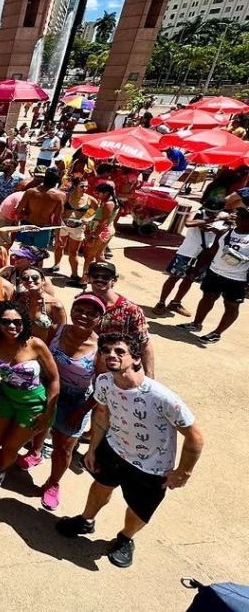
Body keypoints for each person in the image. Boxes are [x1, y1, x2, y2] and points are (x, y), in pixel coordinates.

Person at [56, 334, 204, 569]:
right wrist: (93, 448)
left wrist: (183, 472)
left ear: (136, 358)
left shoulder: (161, 397)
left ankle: (125, 539)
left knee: (140, 508)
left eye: (119, 351)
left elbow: (195, 437)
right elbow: (102, 414)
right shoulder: (104, 381)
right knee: (101, 486)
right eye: (105, 350)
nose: (110, 354)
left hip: (151, 466)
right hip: (114, 449)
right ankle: (86, 520)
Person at [20, 294, 105, 511]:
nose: (83, 316)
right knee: (38, 426)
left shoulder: (100, 349)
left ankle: (53, 483)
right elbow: (39, 353)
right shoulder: (57, 330)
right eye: (79, 310)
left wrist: (82, 411)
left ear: (99, 319)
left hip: (77, 400)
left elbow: (103, 387)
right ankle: (36, 453)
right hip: (48, 389)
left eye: (91, 313)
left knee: (63, 448)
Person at [0, 301, 59, 493]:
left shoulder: (35, 344)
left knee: (10, 447)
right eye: (6, 322)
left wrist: (47, 414)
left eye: (17, 322)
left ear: (24, 322)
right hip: (4, 397)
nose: (12, 326)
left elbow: (54, 379)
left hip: (33, 404)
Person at [179, 205, 249, 344]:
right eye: (239, 215)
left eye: (244, 217)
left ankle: (217, 333)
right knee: (207, 298)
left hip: (237, 279)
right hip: (215, 272)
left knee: (231, 306)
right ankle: (196, 324)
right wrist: (196, 269)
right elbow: (211, 252)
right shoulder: (224, 232)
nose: (239, 218)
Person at [153, 199, 225, 316]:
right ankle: (161, 302)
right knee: (174, 277)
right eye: (209, 211)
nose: (211, 214)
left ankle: (176, 303)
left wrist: (215, 229)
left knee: (189, 279)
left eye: (215, 212)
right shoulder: (198, 213)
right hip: (186, 252)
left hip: (204, 255)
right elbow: (188, 223)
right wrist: (213, 220)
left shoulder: (225, 217)